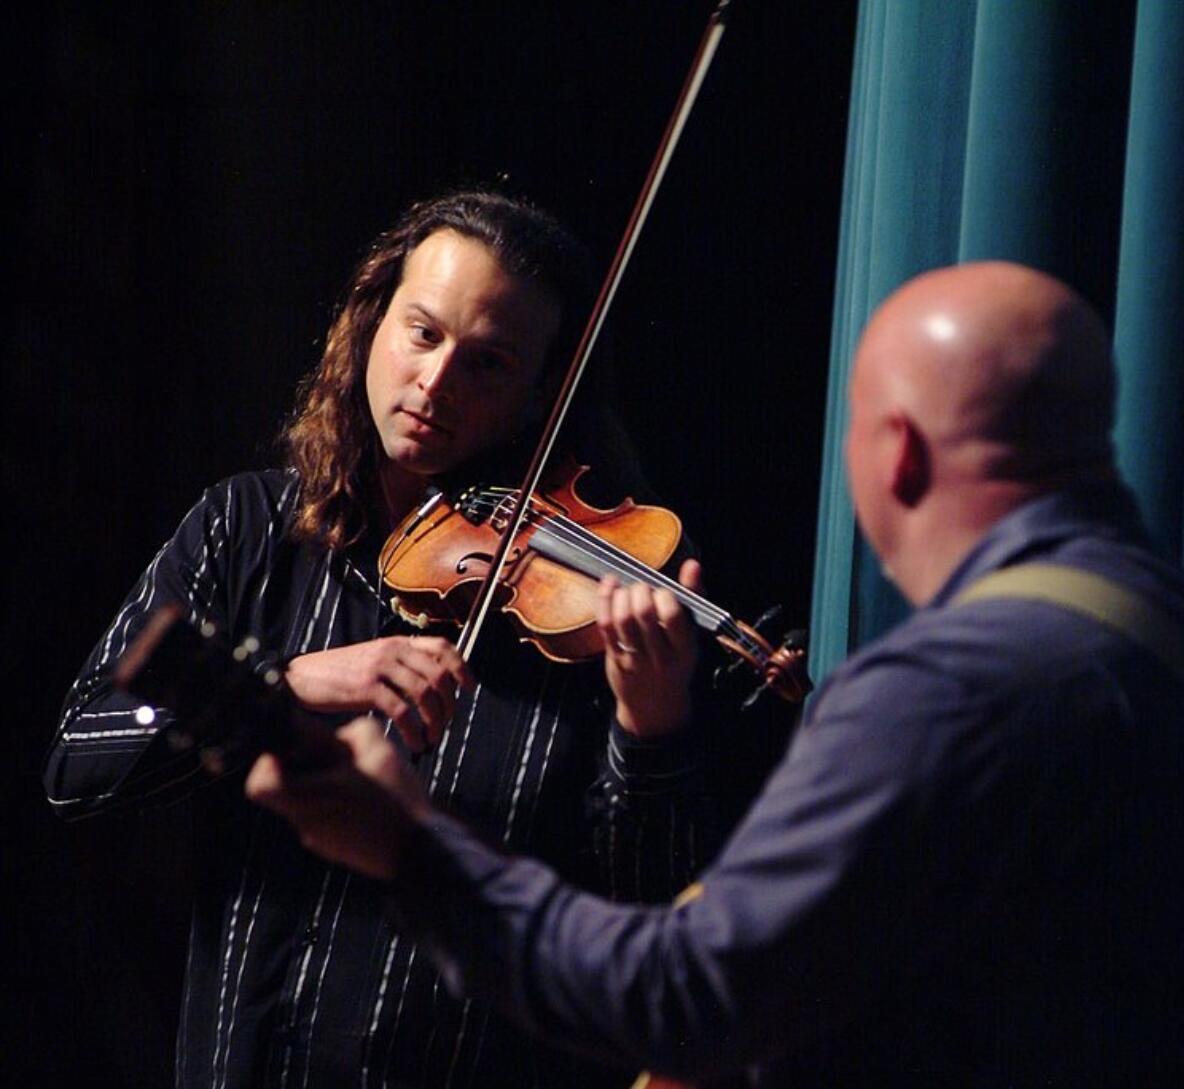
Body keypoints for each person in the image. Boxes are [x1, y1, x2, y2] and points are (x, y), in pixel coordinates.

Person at [247, 261, 1184, 1087]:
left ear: (897, 455)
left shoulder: (947, 688)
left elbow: (686, 998)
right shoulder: (1181, 632)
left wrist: (416, 851)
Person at [45, 191, 720, 1089]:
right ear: (371, 325)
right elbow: (77, 763)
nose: (436, 384)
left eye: (489, 363)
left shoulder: (578, 608)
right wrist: (289, 682)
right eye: (423, 333)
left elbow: (651, 922)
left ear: (539, 398)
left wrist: (651, 726)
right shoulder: (243, 529)